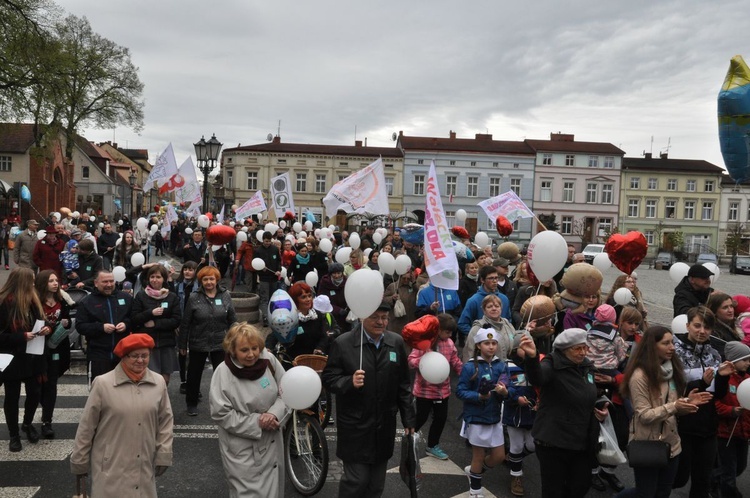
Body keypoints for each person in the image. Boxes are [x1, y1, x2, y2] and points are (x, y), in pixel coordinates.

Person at [321, 302, 415, 497]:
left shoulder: (395, 342)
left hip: (383, 425)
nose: (380, 322)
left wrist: (408, 419)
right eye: (375, 317)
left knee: (376, 485)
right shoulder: (343, 343)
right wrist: (349, 381)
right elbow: (329, 379)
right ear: (363, 317)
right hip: (355, 425)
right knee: (356, 480)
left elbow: (403, 384)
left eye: (384, 318)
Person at [70, 333, 174, 498]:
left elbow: (165, 422)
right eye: (134, 356)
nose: (140, 360)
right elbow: (87, 426)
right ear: (123, 357)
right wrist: (79, 461)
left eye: (145, 356)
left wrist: (164, 453)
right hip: (111, 466)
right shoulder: (103, 384)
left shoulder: (158, 382)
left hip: (144, 464)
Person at [617, 326, 713, 497]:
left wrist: (687, 403)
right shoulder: (640, 376)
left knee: (662, 493)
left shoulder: (671, 369)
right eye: (666, 343)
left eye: (672, 342)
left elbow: (673, 410)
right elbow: (645, 415)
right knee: (646, 493)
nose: (673, 347)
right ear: (652, 346)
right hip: (648, 443)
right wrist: (676, 406)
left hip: (672, 446)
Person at [520, 328, 609, 498]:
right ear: (564, 349)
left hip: (581, 440)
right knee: (554, 491)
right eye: (577, 348)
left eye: (585, 347)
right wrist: (532, 357)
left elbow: (589, 392)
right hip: (554, 442)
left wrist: (601, 407)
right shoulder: (552, 365)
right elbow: (537, 377)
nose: (583, 352)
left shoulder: (586, 366)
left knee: (580, 486)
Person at [209, 322, 290, 497]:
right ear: (232, 350)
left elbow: (287, 392)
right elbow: (221, 413)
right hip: (243, 451)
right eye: (244, 350)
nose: (252, 354)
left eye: (255, 348)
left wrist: (273, 413)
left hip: (271, 444)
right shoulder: (223, 373)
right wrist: (258, 422)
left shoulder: (269, 361)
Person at [672, 306, 731, 497]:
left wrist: (721, 378)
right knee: (678, 478)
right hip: (682, 425)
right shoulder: (674, 353)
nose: (702, 331)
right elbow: (672, 390)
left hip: (707, 427)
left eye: (707, 327)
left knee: (702, 481)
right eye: (697, 326)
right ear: (688, 325)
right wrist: (701, 383)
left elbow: (719, 394)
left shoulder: (714, 354)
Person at [0, 268, 51, 452]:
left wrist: (46, 329)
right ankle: (14, 434)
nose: (34, 284)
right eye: (31, 281)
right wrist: (21, 337)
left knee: (34, 394)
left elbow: (43, 322)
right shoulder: (4, 303)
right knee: (12, 398)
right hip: (12, 358)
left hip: (34, 356)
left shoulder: (34, 300)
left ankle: (27, 424)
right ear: (21, 282)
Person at [456, 327, 510, 497]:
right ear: (479, 345)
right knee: (478, 456)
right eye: (487, 343)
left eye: (494, 343)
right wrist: (478, 396)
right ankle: (475, 490)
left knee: (499, 456)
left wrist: (505, 392)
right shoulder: (470, 367)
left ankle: (474, 472)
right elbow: (460, 391)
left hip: (495, 417)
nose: (491, 346)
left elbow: (508, 385)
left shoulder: (501, 365)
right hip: (477, 417)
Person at [179, 266, 236, 416]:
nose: (209, 282)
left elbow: (232, 320)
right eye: (205, 279)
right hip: (198, 341)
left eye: (211, 279)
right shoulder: (193, 297)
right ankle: (191, 403)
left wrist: (235, 341)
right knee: (194, 375)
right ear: (201, 281)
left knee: (223, 376)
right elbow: (186, 323)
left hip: (220, 342)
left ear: (216, 280)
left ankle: (224, 404)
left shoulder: (225, 295)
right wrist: (182, 345)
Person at [407, 314, 463, 460]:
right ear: (438, 330)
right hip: (424, 391)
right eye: (447, 331)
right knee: (421, 417)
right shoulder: (424, 344)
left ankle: (432, 445)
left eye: (451, 332)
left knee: (440, 418)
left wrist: (464, 372)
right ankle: (408, 439)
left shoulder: (450, 344)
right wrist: (423, 361)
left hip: (442, 391)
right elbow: (411, 361)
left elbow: (455, 361)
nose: (450, 335)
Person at [75, 270, 133, 386]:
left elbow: (135, 318)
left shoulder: (126, 298)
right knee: (100, 391)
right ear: (96, 283)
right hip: (98, 354)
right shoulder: (87, 302)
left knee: (123, 390)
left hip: (123, 354)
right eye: (105, 282)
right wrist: (101, 327)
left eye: (111, 281)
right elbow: (80, 326)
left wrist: (126, 324)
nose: (109, 284)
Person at [34, 270, 72, 439]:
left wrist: (66, 322)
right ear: (43, 283)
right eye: (51, 281)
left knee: (52, 384)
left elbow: (68, 320)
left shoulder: (62, 300)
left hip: (56, 347)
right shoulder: (34, 301)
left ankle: (46, 421)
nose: (55, 283)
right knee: (38, 385)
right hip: (37, 348)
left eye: (56, 280)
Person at [132, 265, 182, 385]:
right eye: (152, 277)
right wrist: (150, 313)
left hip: (166, 342)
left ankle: (162, 402)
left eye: (158, 277)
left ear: (164, 279)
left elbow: (176, 320)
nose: (155, 280)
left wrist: (155, 323)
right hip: (148, 342)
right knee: (150, 378)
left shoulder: (172, 297)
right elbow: (135, 318)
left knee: (165, 379)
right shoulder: (141, 296)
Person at [715, 341, 750, 498]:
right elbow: (714, 403)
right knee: (729, 470)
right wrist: (731, 410)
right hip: (726, 433)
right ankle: (728, 492)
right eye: (745, 360)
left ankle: (713, 479)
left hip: (743, 432)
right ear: (733, 361)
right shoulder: (724, 380)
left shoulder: (748, 379)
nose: (748, 363)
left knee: (740, 467)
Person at [266, 282, 328, 364]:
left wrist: (319, 348)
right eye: (303, 297)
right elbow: (275, 334)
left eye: (309, 296)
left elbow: (324, 336)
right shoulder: (289, 318)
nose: (308, 299)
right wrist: (268, 348)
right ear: (295, 300)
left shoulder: (317, 316)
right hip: (293, 361)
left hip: (313, 360)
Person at [458, 266, 511, 343]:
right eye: (491, 278)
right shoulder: (473, 300)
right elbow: (462, 324)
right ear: (482, 280)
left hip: (501, 342)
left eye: (496, 278)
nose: (495, 281)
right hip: (482, 344)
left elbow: (508, 320)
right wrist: (478, 336)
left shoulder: (504, 299)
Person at [464, 294, 516, 363]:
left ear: (501, 308)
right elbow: (469, 353)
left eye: (497, 306)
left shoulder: (507, 325)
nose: (494, 308)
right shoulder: (478, 328)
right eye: (489, 307)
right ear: (484, 310)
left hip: (507, 368)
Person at [254, 231, 281, 326]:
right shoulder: (258, 251)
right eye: (266, 241)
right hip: (264, 278)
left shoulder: (275, 249)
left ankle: (272, 316)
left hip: (273, 278)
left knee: (272, 298)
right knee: (264, 298)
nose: (267, 243)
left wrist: (278, 270)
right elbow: (255, 265)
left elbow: (278, 261)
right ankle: (265, 317)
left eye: (269, 241)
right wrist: (261, 270)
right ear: (262, 240)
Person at [383, 268, 421, 334]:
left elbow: (420, 293)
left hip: (411, 320)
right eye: (404, 278)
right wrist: (392, 298)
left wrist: (414, 282)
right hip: (396, 322)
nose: (406, 280)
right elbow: (384, 300)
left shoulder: (413, 287)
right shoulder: (392, 286)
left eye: (408, 278)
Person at [707, 292, 744, 359]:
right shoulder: (715, 333)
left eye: (731, 306)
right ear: (714, 311)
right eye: (725, 307)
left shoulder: (733, 325)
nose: (730, 310)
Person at [317, 262, 349, 333]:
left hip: (346, 315)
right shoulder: (325, 282)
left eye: (338, 273)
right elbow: (321, 300)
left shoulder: (347, 282)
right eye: (334, 273)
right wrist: (337, 310)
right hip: (331, 315)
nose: (336, 276)